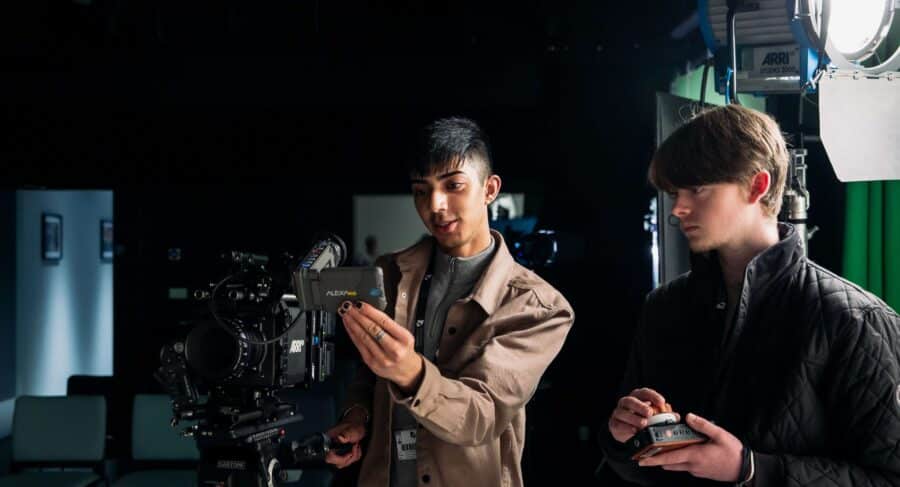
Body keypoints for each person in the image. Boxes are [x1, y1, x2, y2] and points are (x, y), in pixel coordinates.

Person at [602, 104, 900, 486]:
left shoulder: (855, 320)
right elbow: (638, 468)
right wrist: (624, 438)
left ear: (757, 186)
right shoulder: (664, 307)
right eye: (675, 192)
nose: (678, 208)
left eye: (697, 189)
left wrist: (751, 469)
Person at [324, 117, 574, 487]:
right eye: (421, 191)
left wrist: (410, 372)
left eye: (453, 185)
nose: (435, 205)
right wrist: (356, 417)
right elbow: (369, 375)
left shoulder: (539, 307)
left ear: (489, 189)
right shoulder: (388, 273)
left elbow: (481, 415)